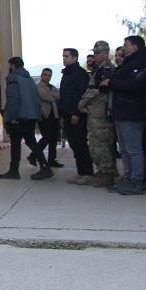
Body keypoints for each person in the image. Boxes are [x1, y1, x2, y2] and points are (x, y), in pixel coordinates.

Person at [103, 35, 146, 196]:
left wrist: (111, 83)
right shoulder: (130, 62)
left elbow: (136, 85)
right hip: (123, 111)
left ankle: (136, 180)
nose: (123, 47)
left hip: (132, 111)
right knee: (125, 148)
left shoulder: (141, 62)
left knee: (134, 149)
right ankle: (128, 178)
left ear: (134, 47)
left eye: (126, 45)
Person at [1, 58, 50, 180]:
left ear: (12, 66)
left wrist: (11, 117)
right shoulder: (29, 80)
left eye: (9, 65)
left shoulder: (13, 78)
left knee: (15, 144)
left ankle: (14, 171)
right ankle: (45, 167)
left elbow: (13, 99)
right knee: (31, 141)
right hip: (31, 116)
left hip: (18, 117)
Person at [79, 41, 118, 188]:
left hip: (100, 113)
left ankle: (106, 174)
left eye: (97, 52)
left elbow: (97, 90)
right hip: (95, 112)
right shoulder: (99, 69)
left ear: (106, 53)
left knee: (100, 145)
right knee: (99, 143)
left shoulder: (107, 69)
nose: (94, 55)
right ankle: (105, 172)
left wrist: (81, 103)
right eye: (94, 52)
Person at [59, 48, 94, 183]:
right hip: (67, 115)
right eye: (63, 56)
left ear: (75, 58)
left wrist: (77, 113)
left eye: (66, 56)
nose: (64, 58)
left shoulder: (80, 74)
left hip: (76, 115)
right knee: (74, 144)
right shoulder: (66, 74)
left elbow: (82, 95)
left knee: (80, 144)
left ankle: (88, 173)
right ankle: (81, 173)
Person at [35, 68, 62, 169]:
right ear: (41, 75)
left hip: (54, 115)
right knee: (47, 137)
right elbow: (46, 97)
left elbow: (59, 96)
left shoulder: (52, 87)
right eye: (45, 74)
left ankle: (52, 160)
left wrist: (52, 95)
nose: (47, 77)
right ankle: (34, 155)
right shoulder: (38, 86)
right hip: (43, 115)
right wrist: (53, 95)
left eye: (49, 75)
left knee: (54, 138)